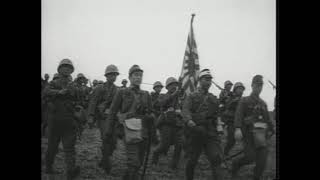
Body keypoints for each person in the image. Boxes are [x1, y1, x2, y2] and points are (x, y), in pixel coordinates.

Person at [107, 65, 153, 180]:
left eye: (140, 76)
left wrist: (151, 116)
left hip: (143, 130)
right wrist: (109, 129)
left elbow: (151, 112)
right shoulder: (122, 92)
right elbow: (112, 111)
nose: (138, 78)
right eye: (136, 75)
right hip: (129, 129)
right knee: (134, 161)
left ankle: (128, 176)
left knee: (140, 160)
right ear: (130, 77)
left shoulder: (146, 94)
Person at [231, 75, 275, 180]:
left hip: (261, 136)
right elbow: (238, 115)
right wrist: (237, 128)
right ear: (252, 85)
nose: (259, 88)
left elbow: (268, 120)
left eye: (261, 86)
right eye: (257, 85)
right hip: (248, 135)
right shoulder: (244, 101)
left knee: (262, 160)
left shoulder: (263, 104)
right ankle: (236, 164)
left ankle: (256, 177)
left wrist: (272, 128)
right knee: (250, 157)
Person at [182, 69, 223, 180]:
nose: (208, 82)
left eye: (210, 80)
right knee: (192, 159)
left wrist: (219, 125)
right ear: (200, 80)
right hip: (196, 131)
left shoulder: (213, 98)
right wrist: (191, 123)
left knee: (216, 158)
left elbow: (218, 114)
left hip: (210, 132)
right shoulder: (192, 96)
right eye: (206, 79)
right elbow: (185, 111)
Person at [43, 59, 80, 180]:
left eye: (69, 67)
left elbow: (78, 99)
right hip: (55, 119)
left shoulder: (73, 85)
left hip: (69, 119)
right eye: (64, 67)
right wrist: (59, 92)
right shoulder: (54, 83)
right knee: (53, 146)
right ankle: (48, 167)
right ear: (59, 69)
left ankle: (70, 171)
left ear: (71, 70)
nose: (66, 69)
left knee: (69, 147)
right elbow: (45, 92)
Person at [87, 65, 120, 174]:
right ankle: (107, 163)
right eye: (111, 74)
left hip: (113, 118)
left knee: (114, 141)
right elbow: (93, 103)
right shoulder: (99, 88)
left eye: (115, 74)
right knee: (106, 138)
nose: (113, 76)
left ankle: (104, 158)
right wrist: (91, 116)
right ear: (106, 76)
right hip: (102, 118)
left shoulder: (117, 89)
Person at [151, 77, 184, 170]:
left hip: (177, 124)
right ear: (168, 87)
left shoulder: (179, 97)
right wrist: (174, 95)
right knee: (165, 145)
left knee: (179, 145)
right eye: (172, 85)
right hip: (166, 124)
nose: (174, 86)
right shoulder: (163, 96)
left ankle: (174, 165)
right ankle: (155, 154)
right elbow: (161, 103)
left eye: (175, 85)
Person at [222, 82, 245, 156]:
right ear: (235, 90)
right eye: (239, 89)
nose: (241, 90)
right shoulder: (230, 97)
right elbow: (228, 105)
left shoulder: (242, 99)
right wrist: (236, 100)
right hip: (231, 121)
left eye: (242, 89)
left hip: (240, 122)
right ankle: (225, 154)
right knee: (231, 140)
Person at [150, 81, 164, 145]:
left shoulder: (161, 96)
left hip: (160, 114)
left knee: (160, 128)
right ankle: (154, 141)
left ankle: (158, 141)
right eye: (157, 87)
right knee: (154, 128)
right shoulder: (152, 95)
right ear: (154, 88)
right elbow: (151, 106)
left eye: (160, 87)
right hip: (154, 113)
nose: (159, 89)